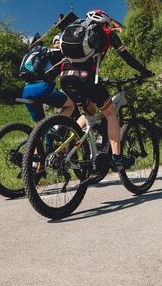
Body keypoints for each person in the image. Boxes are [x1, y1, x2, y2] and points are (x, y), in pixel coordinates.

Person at [58, 9, 153, 171]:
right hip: (85, 77)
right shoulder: (108, 33)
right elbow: (127, 57)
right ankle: (117, 158)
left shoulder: (74, 29)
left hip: (65, 76)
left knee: (88, 112)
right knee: (110, 113)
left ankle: (65, 148)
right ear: (105, 22)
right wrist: (144, 72)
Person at [19, 33, 75, 123]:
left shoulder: (36, 53)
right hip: (42, 88)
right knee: (70, 105)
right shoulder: (54, 53)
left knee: (40, 129)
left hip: (26, 90)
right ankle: (56, 129)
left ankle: (40, 136)